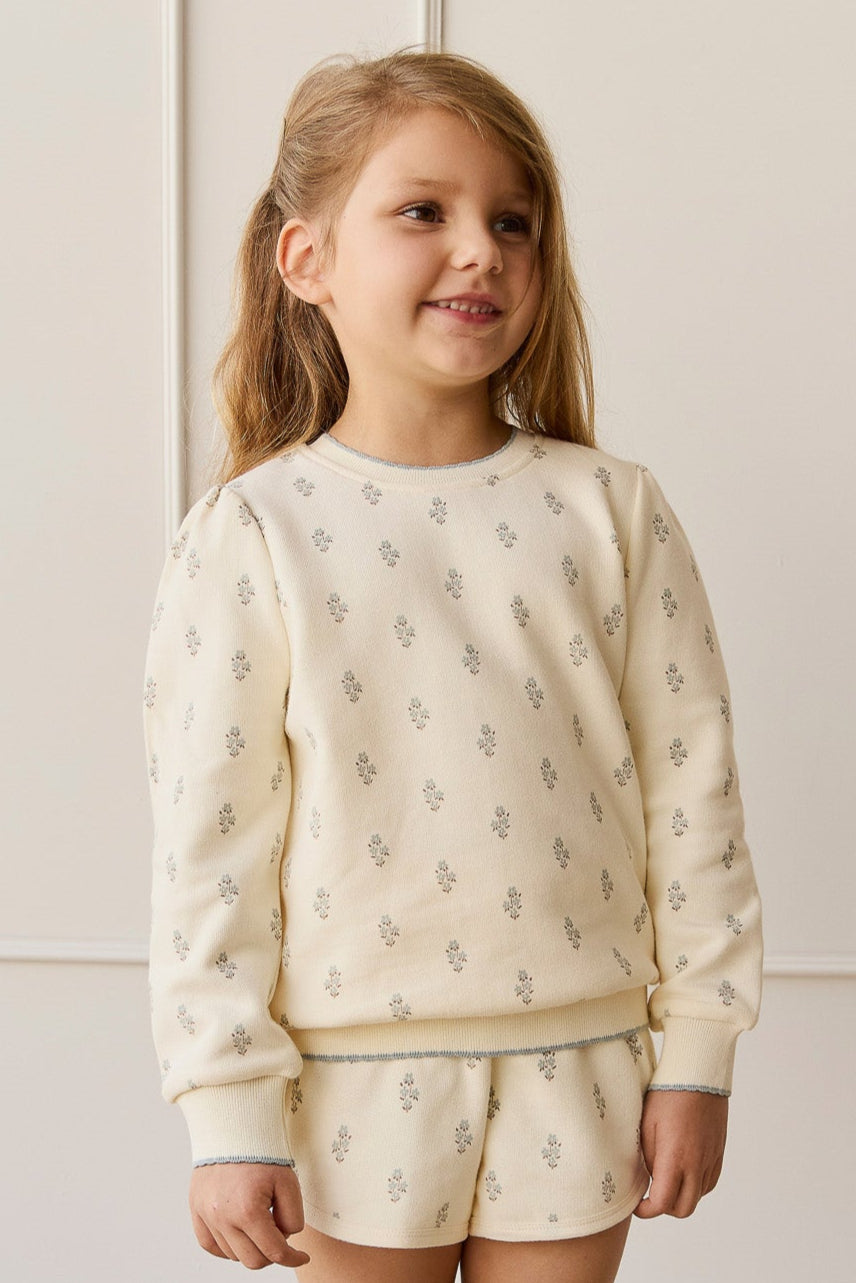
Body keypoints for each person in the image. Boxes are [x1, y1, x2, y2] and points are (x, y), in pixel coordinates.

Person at [143, 49, 762, 1283]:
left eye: (512, 221)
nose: (480, 250)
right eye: (424, 211)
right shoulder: (252, 533)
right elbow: (210, 847)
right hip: (343, 1082)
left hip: (583, 1062)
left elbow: (693, 803)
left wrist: (697, 1053)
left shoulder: (612, 510)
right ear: (306, 259)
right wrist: (227, 1108)